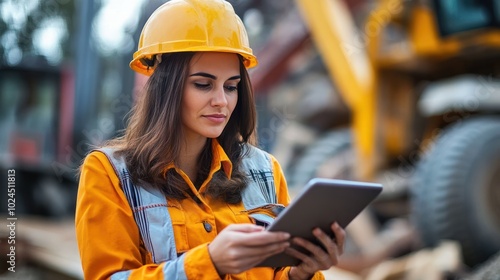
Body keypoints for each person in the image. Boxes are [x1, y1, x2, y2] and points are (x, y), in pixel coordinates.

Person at [75, 0, 345, 279]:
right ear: (165, 87)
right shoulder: (109, 174)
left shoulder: (266, 171)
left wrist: (300, 274)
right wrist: (209, 262)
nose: (222, 101)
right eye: (203, 84)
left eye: (231, 87)